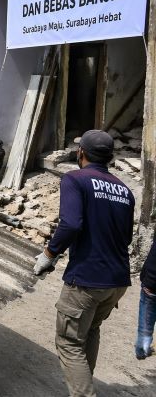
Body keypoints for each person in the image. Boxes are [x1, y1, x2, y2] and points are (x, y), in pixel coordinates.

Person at [33, 130, 134, 397]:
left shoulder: (75, 179)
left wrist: (48, 254)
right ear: (110, 158)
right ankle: (83, 387)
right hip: (117, 281)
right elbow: (125, 237)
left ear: (81, 154)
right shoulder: (124, 190)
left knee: (68, 342)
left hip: (87, 279)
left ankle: (83, 393)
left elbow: (71, 224)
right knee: (90, 331)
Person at [136, 239, 156, 359]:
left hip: (152, 286)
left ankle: (142, 349)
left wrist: (145, 279)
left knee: (145, 325)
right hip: (151, 285)